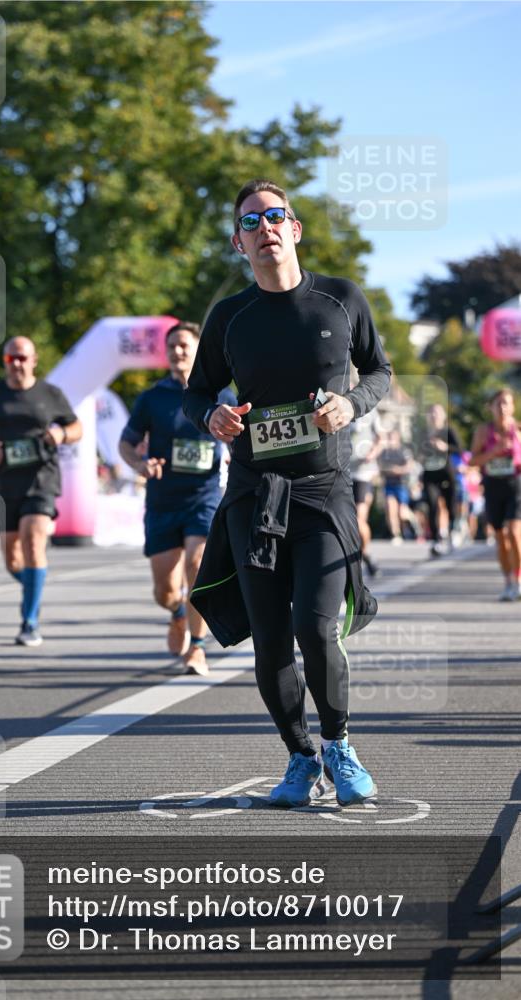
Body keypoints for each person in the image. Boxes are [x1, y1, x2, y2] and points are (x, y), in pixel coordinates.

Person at [183, 179, 391, 807]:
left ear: (295, 229)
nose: (265, 227)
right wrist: (210, 419)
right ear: (239, 242)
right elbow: (198, 394)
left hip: (323, 490)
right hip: (254, 494)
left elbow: (379, 372)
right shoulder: (229, 317)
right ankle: (300, 757)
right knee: (271, 638)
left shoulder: (341, 300)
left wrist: (349, 405)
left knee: (316, 627)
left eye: (276, 216)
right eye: (252, 222)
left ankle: (339, 744)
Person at [119, 321, 236, 675]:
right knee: (165, 589)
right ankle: (177, 612)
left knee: (198, 566)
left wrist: (235, 450)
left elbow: (242, 438)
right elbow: (126, 443)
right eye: (172, 346)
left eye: (185, 345)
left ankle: (198, 648)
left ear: (199, 349)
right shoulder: (152, 398)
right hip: (163, 501)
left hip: (205, 497)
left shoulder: (223, 396)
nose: (178, 351)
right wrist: (140, 463)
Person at [0, 336, 82, 645]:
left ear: (33, 361)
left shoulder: (50, 394)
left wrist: (61, 433)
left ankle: (29, 622)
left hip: (41, 480)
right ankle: (34, 589)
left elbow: (76, 428)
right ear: (4, 362)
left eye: (22, 358)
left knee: (33, 542)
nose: (16, 364)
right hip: (6, 483)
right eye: (10, 359)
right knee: (12, 560)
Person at [470, 387, 521, 601]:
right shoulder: (483, 431)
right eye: (498, 403)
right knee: (501, 538)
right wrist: (494, 451)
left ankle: (518, 581)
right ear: (490, 407)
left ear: (513, 407)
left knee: (514, 533)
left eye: (506, 403)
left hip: (515, 486)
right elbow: (472, 461)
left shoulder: (518, 431)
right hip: (492, 486)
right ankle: (508, 582)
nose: (502, 407)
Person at [419, 402, 462, 557]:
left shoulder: (448, 431)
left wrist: (445, 447)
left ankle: (452, 533)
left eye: (437, 412)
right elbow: (416, 450)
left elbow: (459, 449)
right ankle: (436, 540)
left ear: (443, 415)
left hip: (446, 473)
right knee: (431, 504)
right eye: (431, 413)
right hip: (429, 474)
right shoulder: (424, 432)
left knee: (450, 504)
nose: (434, 415)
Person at [349, 405, 384, 575]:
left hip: (364, 473)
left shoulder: (369, 409)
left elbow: (381, 438)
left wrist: (372, 453)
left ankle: (367, 553)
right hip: (343, 472)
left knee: (359, 519)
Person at [378, 428, 415, 544]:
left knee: (401, 512)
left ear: (398, 438)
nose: (390, 440)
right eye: (389, 438)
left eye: (392, 438)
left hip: (402, 485)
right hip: (389, 484)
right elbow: (380, 467)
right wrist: (389, 471)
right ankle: (396, 534)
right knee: (390, 508)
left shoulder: (404, 451)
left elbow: (410, 466)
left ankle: (408, 527)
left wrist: (398, 470)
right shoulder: (384, 453)